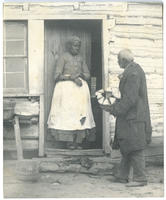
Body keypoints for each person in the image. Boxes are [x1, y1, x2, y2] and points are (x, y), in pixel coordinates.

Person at [101, 49, 152, 187]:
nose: (117, 62)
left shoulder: (133, 73)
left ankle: (140, 178)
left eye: (118, 60)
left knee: (135, 147)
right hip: (131, 115)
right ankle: (122, 176)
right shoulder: (132, 70)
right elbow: (128, 95)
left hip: (134, 116)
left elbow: (130, 98)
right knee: (127, 146)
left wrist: (115, 109)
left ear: (124, 60)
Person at [47, 36, 96, 150]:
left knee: (80, 114)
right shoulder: (63, 58)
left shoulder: (80, 58)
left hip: (80, 90)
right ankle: (68, 142)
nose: (77, 48)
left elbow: (88, 75)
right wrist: (71, 78)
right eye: (74, 45)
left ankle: (78, 141)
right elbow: (56, 75)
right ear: (69, 46)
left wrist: (80, 75)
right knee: (67, 115)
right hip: (66, 90)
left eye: (78, 46)